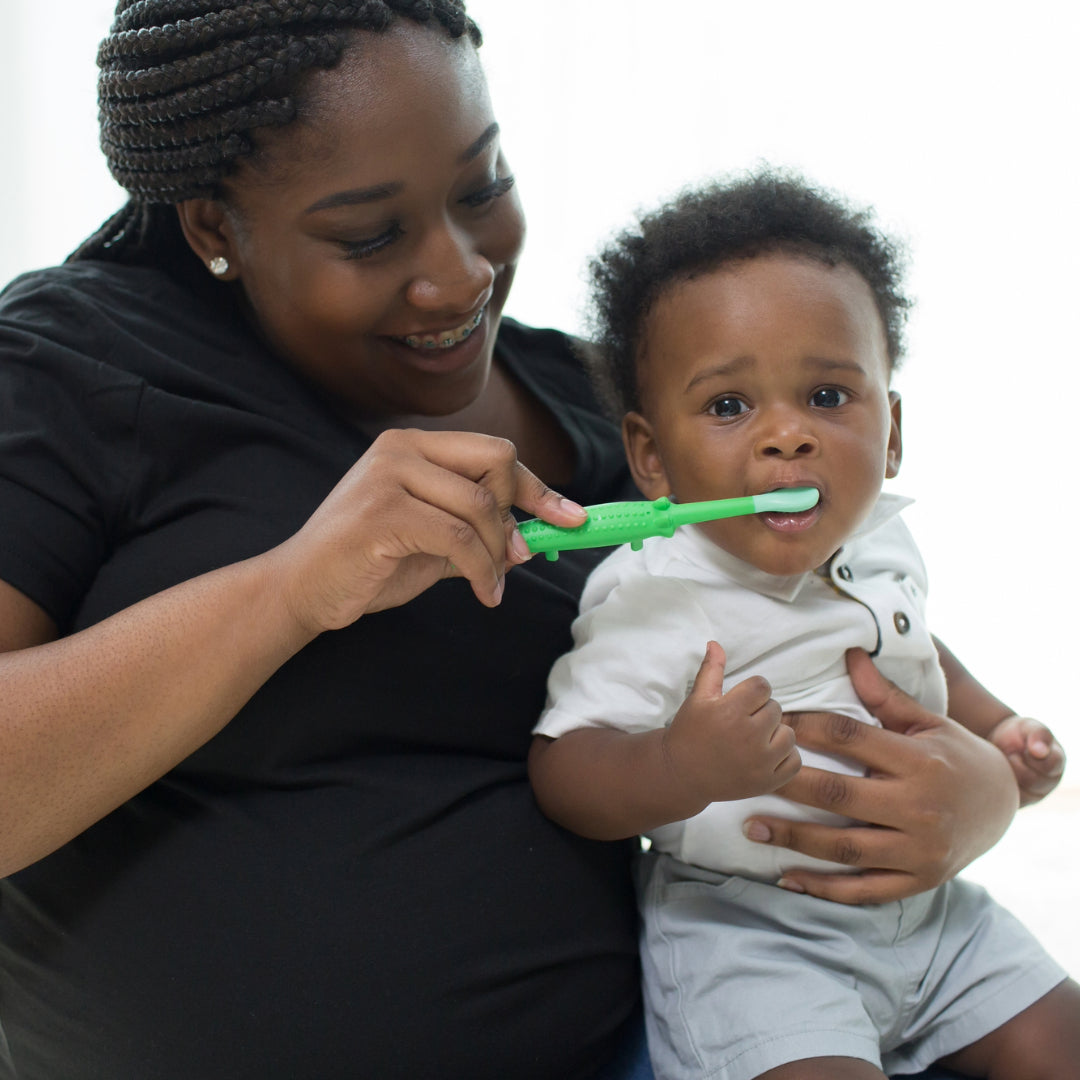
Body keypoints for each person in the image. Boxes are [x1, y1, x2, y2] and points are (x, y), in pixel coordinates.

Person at [0, 4, 1023, 1078]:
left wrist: (980, 797)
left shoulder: (628, 411)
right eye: (368, 234)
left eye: (481, 188)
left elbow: (849, 646)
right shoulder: (67, 367)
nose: (458, 275)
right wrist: (293, 589)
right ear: (213, 225)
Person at [528, 170, 1079, 1079]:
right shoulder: (656, 593)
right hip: (752, 938)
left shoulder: (882, 541)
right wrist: (679, 766)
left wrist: (996, 731)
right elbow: (563, 766)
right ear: (652, 457)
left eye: (828, 397)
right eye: (729, 406)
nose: (788, 437)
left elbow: (908, 645)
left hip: (933, 915)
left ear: (891, 428)